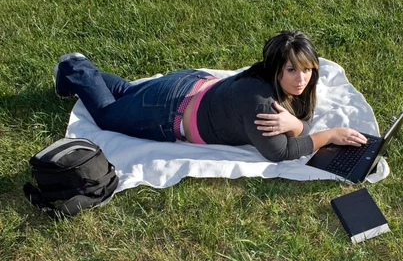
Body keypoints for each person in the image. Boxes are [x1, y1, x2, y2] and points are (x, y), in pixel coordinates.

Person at [53, 30, 367, 162]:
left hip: (189, 87)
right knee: (108, 116)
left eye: (307, 70)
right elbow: (279, 153)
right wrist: (328, 135)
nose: (301, 80)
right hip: (169, 110)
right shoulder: (261, 103)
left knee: (126, 94)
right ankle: (75, 66)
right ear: (275, 69)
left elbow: (299, 123)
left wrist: (297, 126)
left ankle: (74, 77)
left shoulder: (292, 85)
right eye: (291, 70)